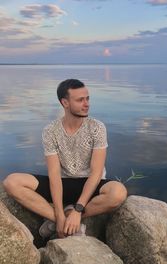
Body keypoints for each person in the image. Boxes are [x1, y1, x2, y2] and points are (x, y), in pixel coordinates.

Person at [3, 78, 127, 238]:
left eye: (87, 98)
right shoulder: (50, 131)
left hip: (90, 183)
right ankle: (59, 220)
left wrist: (78, 210)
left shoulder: (96, 127)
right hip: (62, 182)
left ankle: (71, 217)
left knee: (118, 193)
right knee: (11, 182)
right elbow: (54, 174)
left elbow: (96, 173)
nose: (87, 103)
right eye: (80, 100)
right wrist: (59, 215)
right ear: (65, 103)